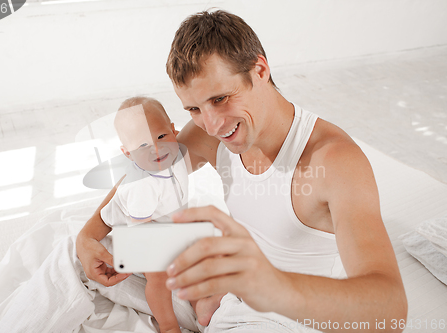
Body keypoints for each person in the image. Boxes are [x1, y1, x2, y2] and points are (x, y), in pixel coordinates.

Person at [78, 10, 407, 332]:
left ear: (260, 69)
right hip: (228, 283)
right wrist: (89, 233)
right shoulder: (216, 131)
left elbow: (389, 314)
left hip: (279, 314)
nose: (211, 123)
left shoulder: (333, 161)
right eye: (194, 108)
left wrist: (271, 287)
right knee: (77, 257)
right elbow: (147, 171)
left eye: (220, 98)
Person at [78, 96, 222, 332]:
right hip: (138, 229)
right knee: (159, 277)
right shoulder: (141, 185)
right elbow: (141, 230)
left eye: (162, 136)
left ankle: (201, 304)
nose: (156, 148)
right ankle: (167, 325)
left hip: (166, 222)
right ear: (127, 153)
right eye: (143, 145)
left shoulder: (177, 157)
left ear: (174, 131)